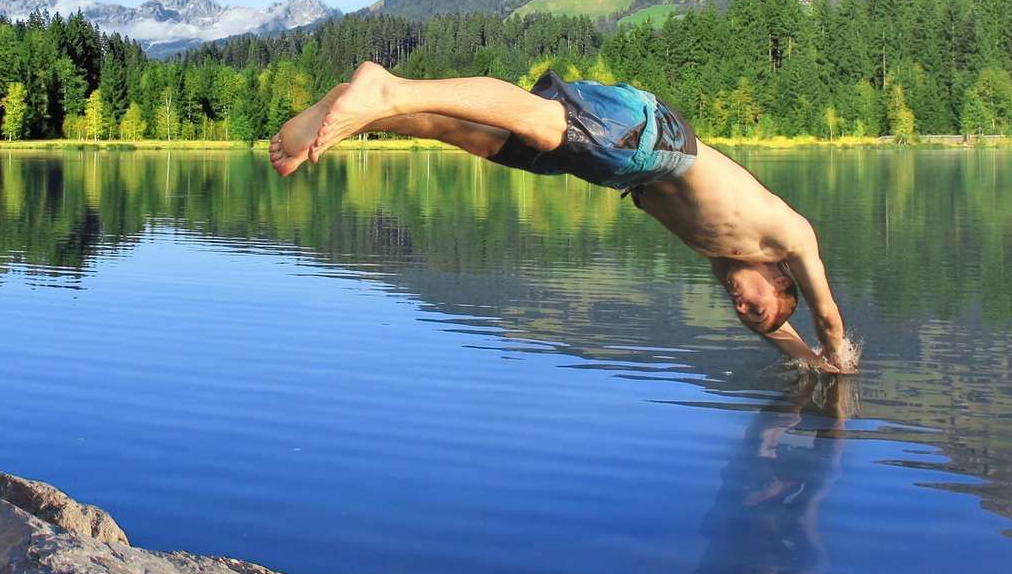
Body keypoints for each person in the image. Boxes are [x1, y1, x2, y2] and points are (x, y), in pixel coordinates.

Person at [269, 62, 855, 372]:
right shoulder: (788, 235)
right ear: (781, 278)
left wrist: (808, 366)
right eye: (757, 306)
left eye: (744, 316)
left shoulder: (724, 257)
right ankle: (392, 90)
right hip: (653, 140)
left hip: (621, 168)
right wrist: (840, 361)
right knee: (538, 119)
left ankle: (364, 106)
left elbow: (782, 332)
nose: (742, 307)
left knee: (480, 140)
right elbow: (826, 314)